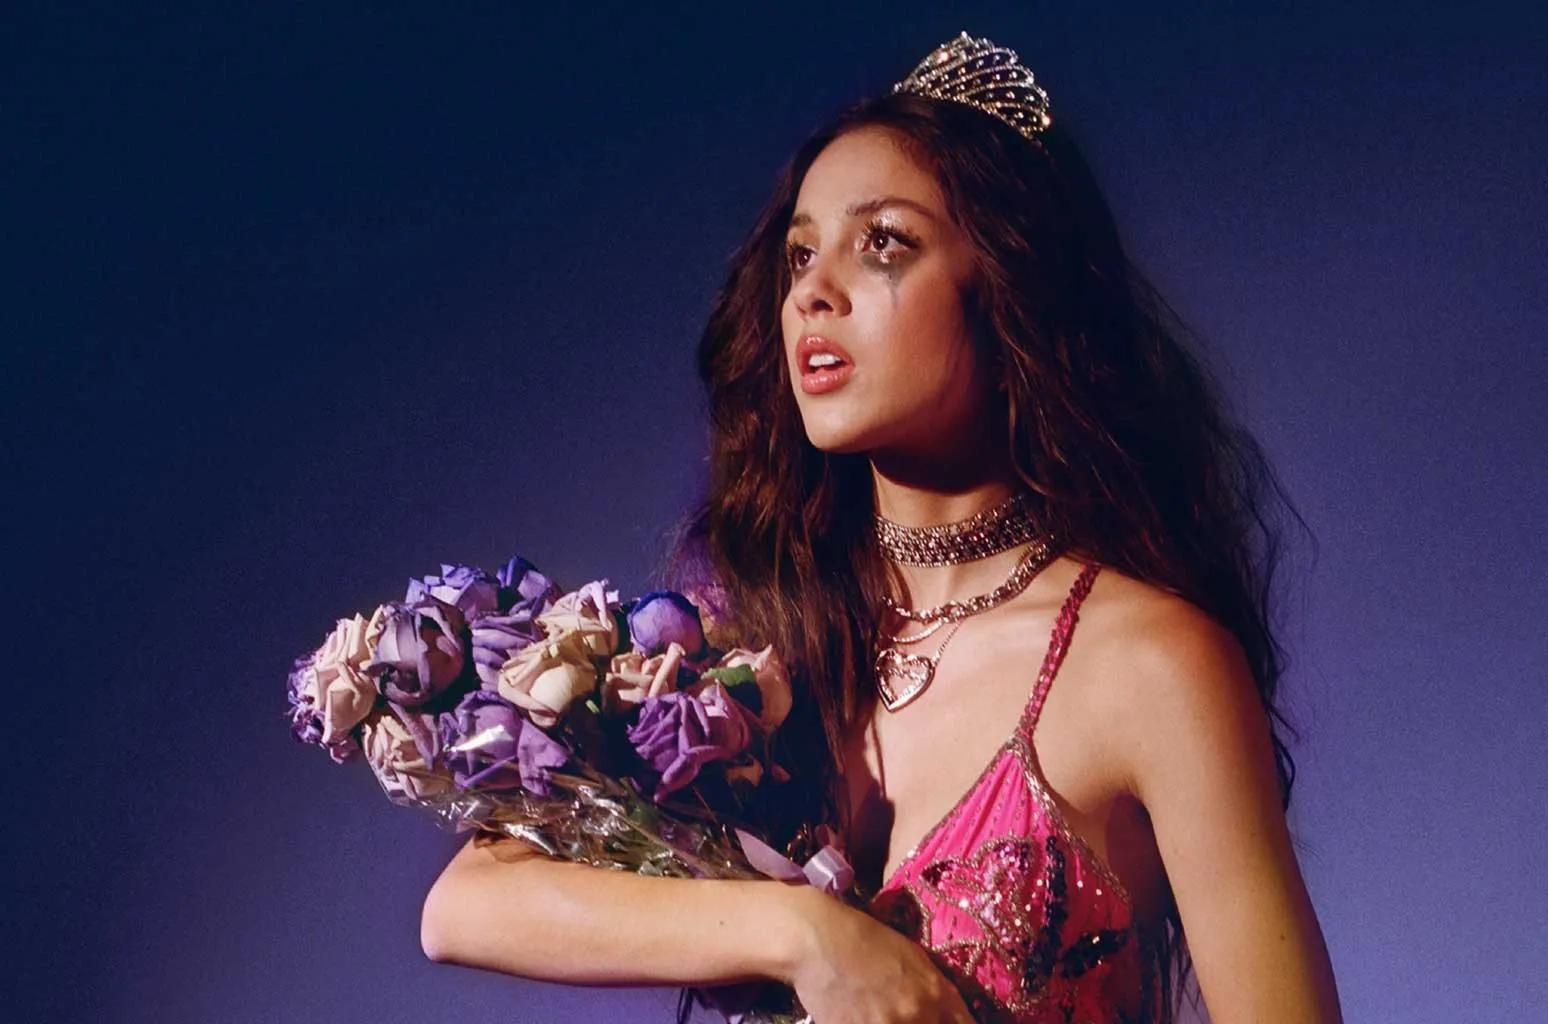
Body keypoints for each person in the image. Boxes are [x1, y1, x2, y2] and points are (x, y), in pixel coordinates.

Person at [421, 31, 1344, 1024]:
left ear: (1008, 284)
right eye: (800, 255)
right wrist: (810, 937)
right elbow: (465, 903)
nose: (815, 291)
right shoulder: (746, 644)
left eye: (884, 243)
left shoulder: (1151, 662)